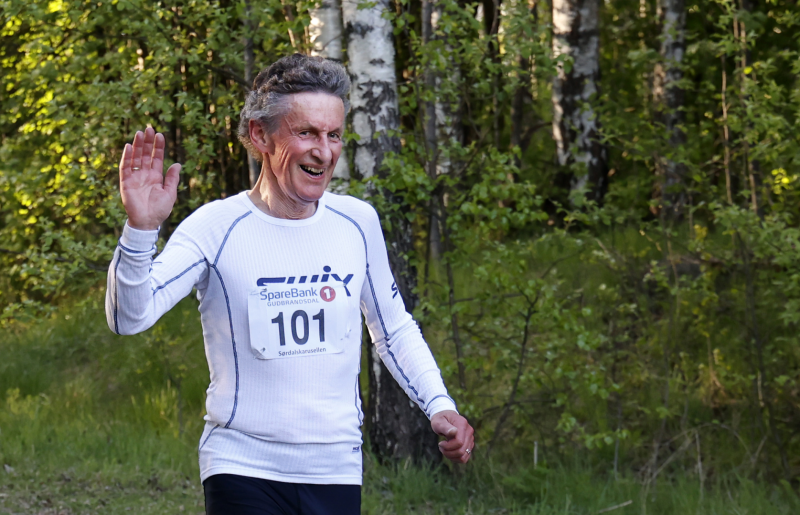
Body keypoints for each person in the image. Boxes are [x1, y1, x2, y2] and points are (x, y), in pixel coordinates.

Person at [106, 54, 473, 514]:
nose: (324, 151)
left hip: (334, 466)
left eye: (334, 135)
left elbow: (393, 328)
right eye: (306, 133)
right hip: (241, 465)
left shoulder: (356, 223)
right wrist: (140, 231)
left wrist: (440, 404)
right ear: (261, 135)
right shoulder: (216, 227)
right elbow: (128, 317)